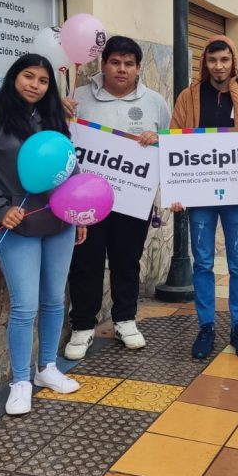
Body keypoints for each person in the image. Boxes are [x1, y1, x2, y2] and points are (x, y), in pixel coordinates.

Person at [0, 54, 85, 416]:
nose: (34, 85)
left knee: (52, 299)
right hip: (17, 223)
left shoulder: (53, 119)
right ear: (13, 77)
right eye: (27, 76)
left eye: (43, 80)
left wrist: (78, 215)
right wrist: (0, 209)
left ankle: (47, 367)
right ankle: (20, 381)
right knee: (25, 305)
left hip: (58, 221)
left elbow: (68, 165)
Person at [64, 36, 171, 359]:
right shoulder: (78, 98)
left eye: (129, 64)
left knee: (127, 261)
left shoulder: (155, 103)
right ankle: (82, 326)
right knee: (86, 262)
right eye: (115, 62)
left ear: (138, 68)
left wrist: (158, 139)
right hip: (87, 200)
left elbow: (166, 145)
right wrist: (58, 108)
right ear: (103, 64)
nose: (121, 69)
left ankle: (125, 320)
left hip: (133, 200)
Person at [168, 36, 238, 360]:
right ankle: (206, 326)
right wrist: (176, 190)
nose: (219, 66)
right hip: (201, 197)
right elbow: (176, 143)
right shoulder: (188, 98)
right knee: (203, 263)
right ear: (204, 62)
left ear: (233, 61)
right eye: (213, 60)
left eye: (224, 60)